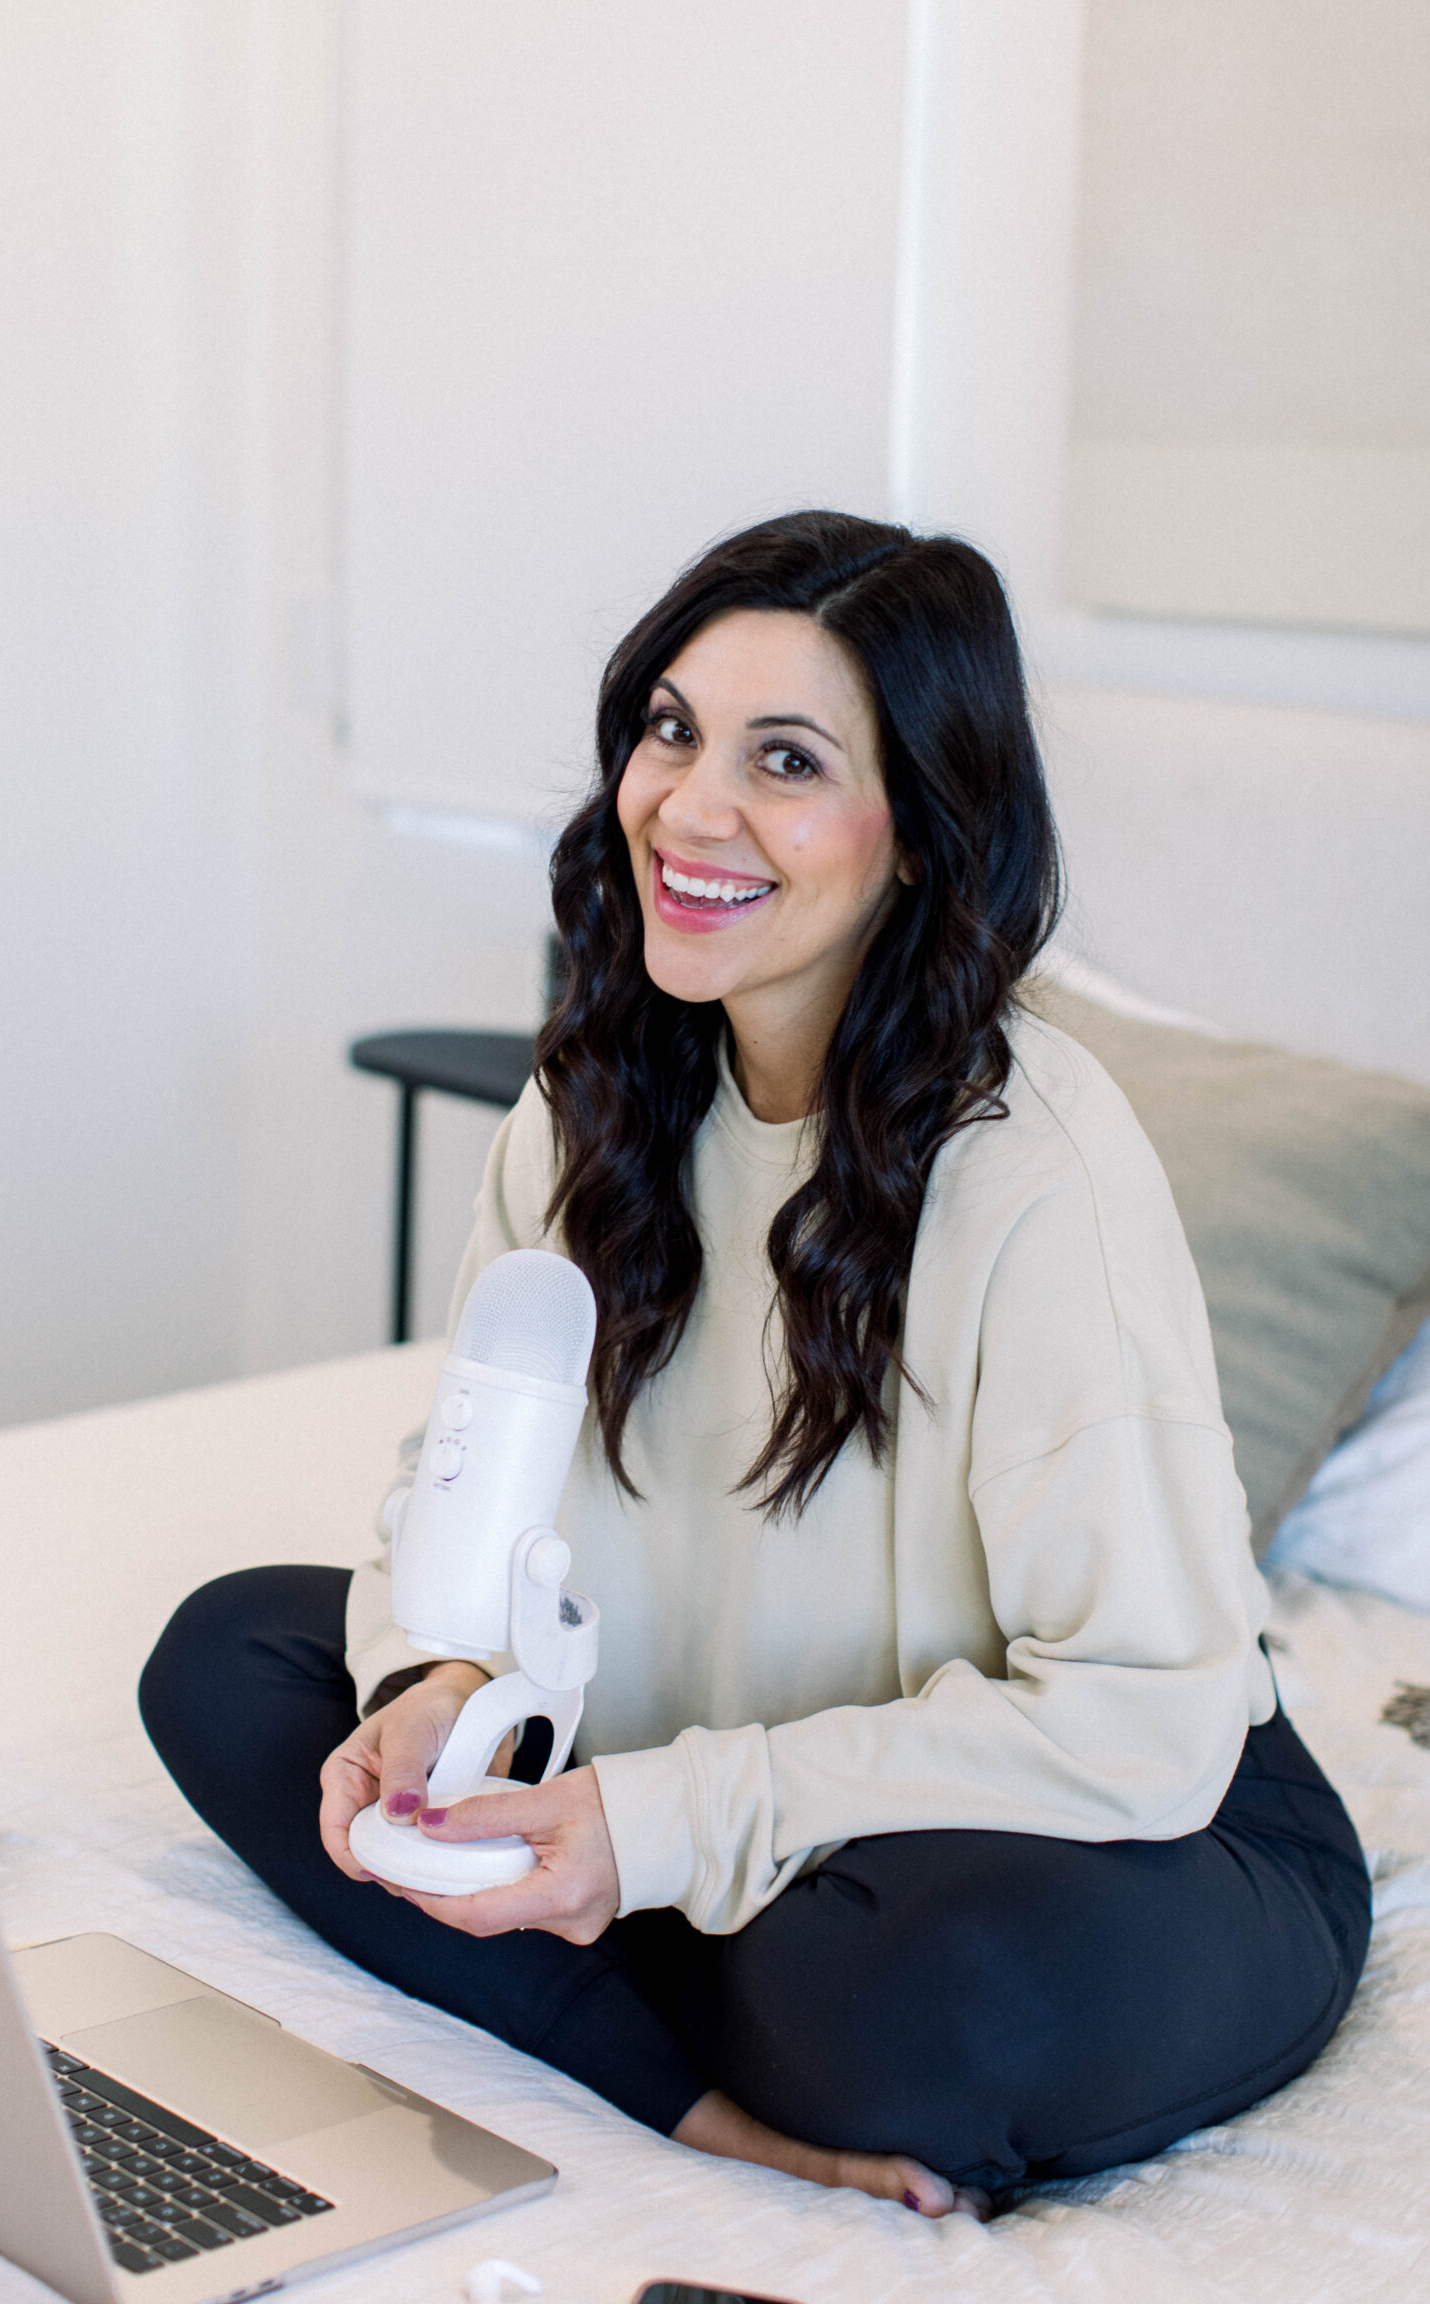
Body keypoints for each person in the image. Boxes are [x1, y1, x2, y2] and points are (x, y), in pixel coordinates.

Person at [140, 513, 1369, 2217]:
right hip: (725, 1760)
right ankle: (701, 2100)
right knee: (232, 1664)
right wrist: (427, 1681)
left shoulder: (1033, 1172)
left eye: (783, 760)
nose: (690, 807)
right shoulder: (595, 1105)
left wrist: (655, 1827)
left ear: (924, 834)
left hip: (1140, 1812)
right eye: (670, 730)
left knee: (875, 2005)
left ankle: (677, 1990)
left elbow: (1139, 1716)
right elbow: (461, 1512)